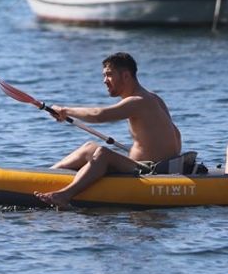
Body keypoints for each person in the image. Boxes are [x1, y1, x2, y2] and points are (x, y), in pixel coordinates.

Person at [35, 52, 182, 209]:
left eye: (109, 75)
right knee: (89, 148)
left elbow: (100, 116)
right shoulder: (153, 98)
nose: (105, 81)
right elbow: (174, 134)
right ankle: (39, 177)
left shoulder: (139, 101)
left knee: (103, 154)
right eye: (104, 75)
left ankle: (64, 195)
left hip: (151, 170)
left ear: (126, 76)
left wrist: (65, 110)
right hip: (149, 164)